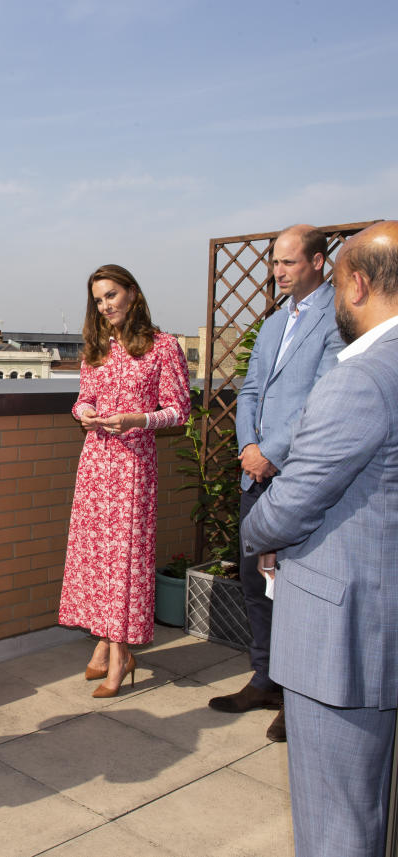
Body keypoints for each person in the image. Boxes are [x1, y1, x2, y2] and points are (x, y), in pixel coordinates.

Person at [241, 221, 398, 857]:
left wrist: (257, 531)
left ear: (355, 283)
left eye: (336, 282)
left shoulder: (362, 376)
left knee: (338, 819)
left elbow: (294, 502)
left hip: (347, 636)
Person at [208, 224, 343, 742]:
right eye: (275, 263)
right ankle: (265, 679)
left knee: (296, 588)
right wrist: (248, 449)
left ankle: (296, 694)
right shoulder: (273, 323)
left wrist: (272, 452)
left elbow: (325, 397)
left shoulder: (336, 318)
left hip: (301, 476)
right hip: (256, 475)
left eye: (288, 262)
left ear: (316, 262)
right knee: (253, 581)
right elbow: (248, 390)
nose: (278, 272)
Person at [59, 264, 191, 697]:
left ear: (132, 293)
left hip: (134, 466)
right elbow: (83, 399)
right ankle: (105, 644)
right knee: (97, 559)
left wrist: (139, 419)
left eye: (112, 295)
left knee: (125, 561)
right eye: (98, 299)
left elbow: (179, 409)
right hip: (96, 464)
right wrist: (85, 414)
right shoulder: (96, 347)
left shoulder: (163, 346)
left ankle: (119, 656)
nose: (105, 305)